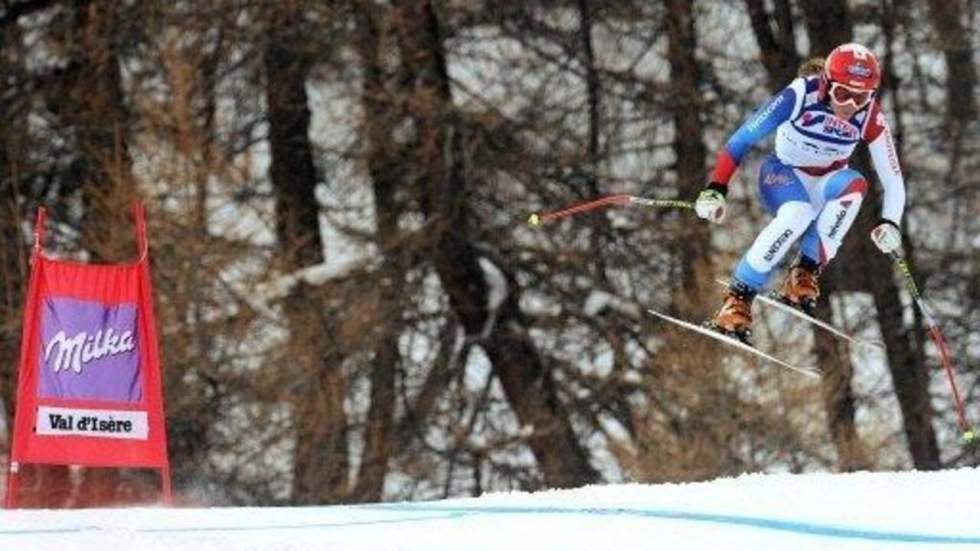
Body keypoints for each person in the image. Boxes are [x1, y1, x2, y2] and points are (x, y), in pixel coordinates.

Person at [694, 43, 905, 341]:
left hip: (825, 184)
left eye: (861, 97)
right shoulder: (800, 94)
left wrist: (891, 222)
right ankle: (738, 298)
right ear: (826, 84)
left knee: (855, 184)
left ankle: (803, 274)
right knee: (798, 213)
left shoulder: (869, 114)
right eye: (842, 93)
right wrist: (716, 188)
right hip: (782, 175)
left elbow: (893, 179)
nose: (849, 105)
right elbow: (740, 141)